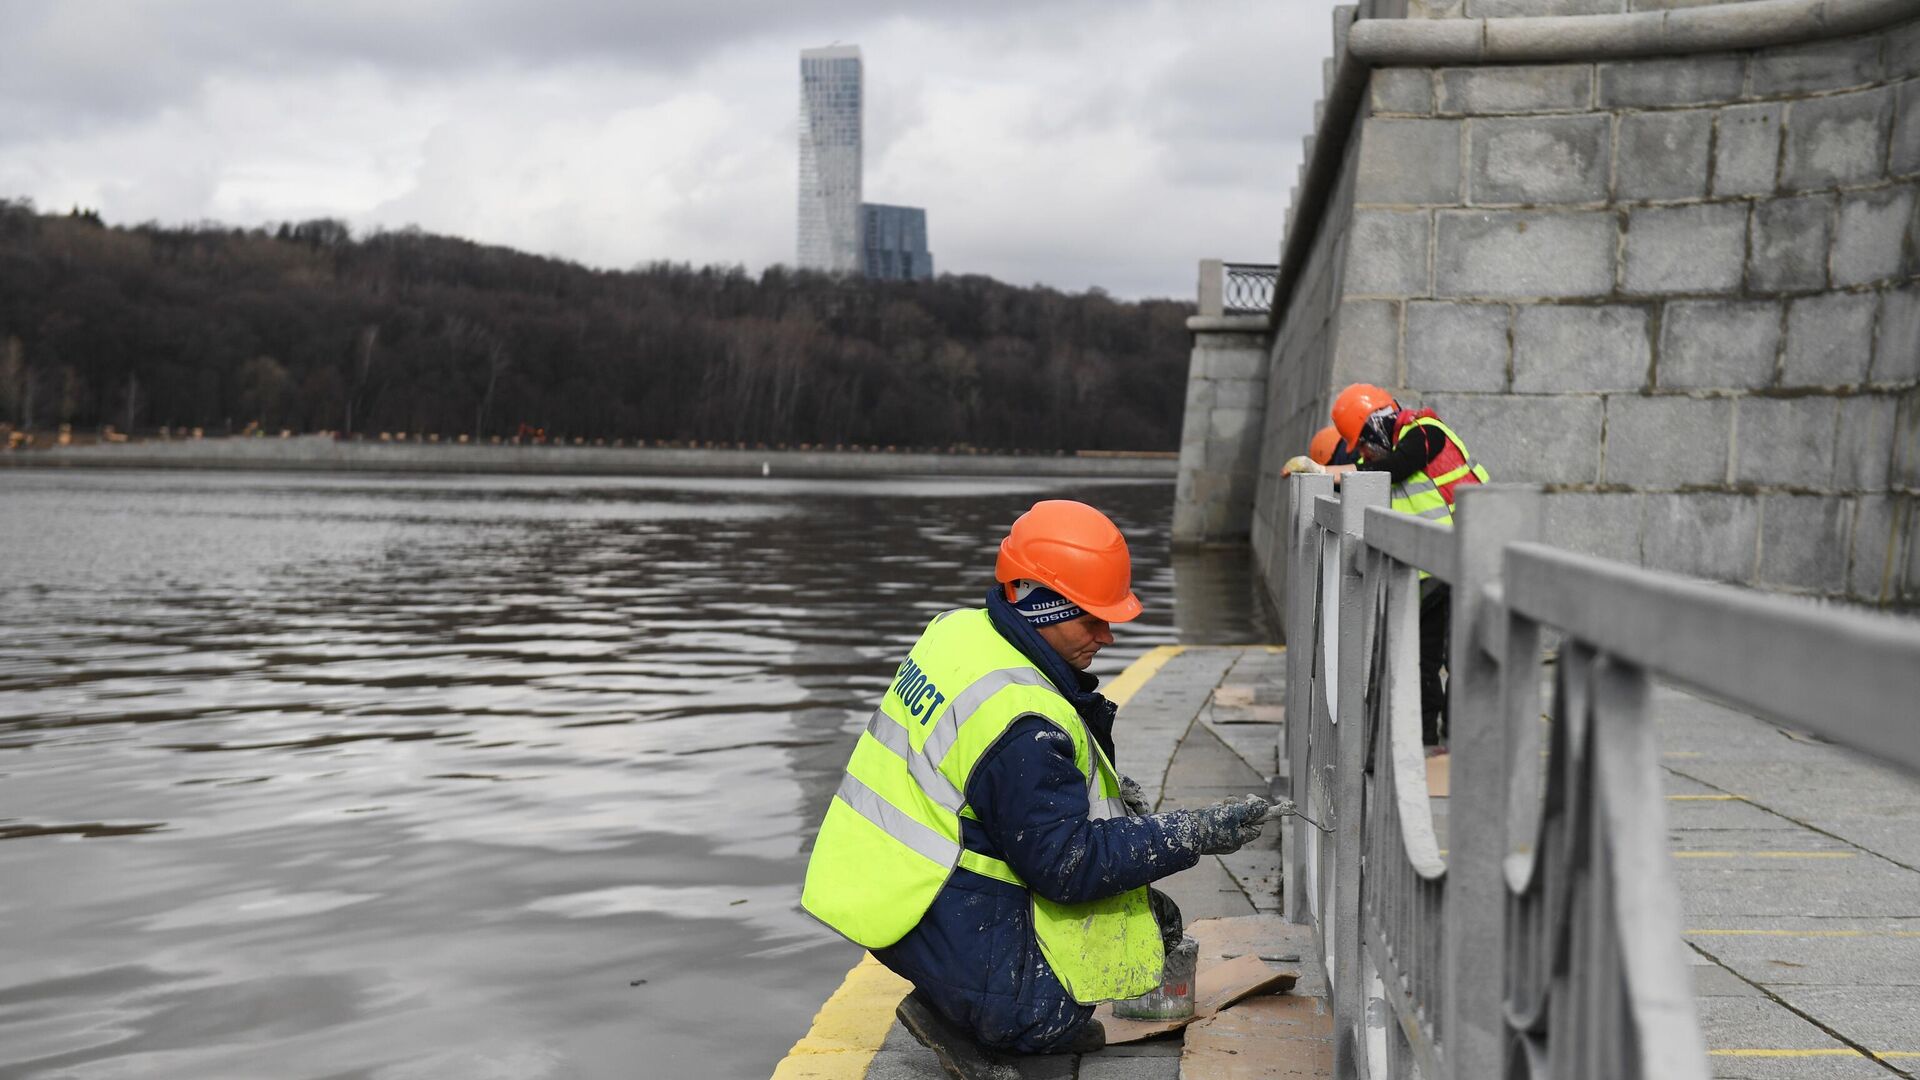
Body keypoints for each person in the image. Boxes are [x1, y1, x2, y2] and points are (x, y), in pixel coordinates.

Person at [801, 500, 1272, 1055]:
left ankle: (955, 984)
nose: (1107, 636)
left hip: (881, 879)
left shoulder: (959, 633)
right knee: (1053, 1019)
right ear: (1042, 607)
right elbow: (1067, 866)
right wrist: (1192, 834)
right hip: (928, 902)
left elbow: (983, 783)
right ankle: (972, 1009)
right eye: (1091, 618)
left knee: (1139, 915)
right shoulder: (1022, 717)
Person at [1321, 383, 1489, 748]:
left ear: (1376, 426)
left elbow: (1395, 469)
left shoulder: (1426, 432)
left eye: (1364, 441)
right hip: (1432, 565)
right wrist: (1319, 473)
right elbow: (1366, 478)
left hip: (1466, 555)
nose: (1365, 451)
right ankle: (1427, 743)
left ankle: (1458, 743)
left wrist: (1334, 473)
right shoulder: (1391, 453)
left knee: (1458, 655)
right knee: (1421, 658)